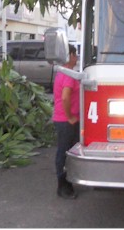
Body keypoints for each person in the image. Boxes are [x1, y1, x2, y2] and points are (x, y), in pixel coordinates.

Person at [53, 44, 80, 199]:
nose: (77, 58)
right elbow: (65, 97)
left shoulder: (63, 72)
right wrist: (70, 117)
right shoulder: (68, 75)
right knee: (65, 152)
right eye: (75, 54)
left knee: (67, 151)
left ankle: (67, 183)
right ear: (70, 55)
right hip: (66, 121)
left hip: (65, 120)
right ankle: (62, 187)